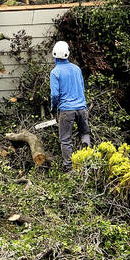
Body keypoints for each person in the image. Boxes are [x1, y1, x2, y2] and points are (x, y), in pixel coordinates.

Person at [50, 40, 91, 170]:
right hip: (82, 108)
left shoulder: (55, 72)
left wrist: (53, 108)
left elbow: (55, 95)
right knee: (84, 133)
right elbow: (82, 88)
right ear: (68, 53)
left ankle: (69, 167)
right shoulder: (77, 69)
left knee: (65, 139)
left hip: (67, 110)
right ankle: (87, 161)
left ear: (54, 54)